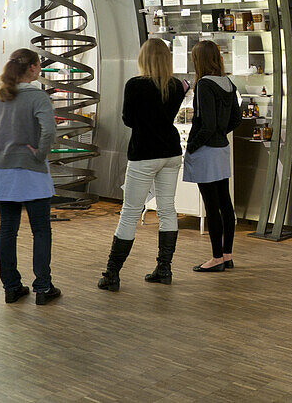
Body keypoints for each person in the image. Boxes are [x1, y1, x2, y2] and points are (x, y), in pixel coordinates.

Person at [97, 39, 189, 291]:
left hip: (144, 152)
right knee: (167, 210)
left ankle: (112, 273)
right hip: (171, 152)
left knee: (130, 212)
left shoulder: (135, 85)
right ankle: (164, 268)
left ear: (144, 58)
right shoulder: (177, 86)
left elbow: (128, 119)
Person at [0, 48, 59, 305]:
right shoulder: (38, 97)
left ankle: (11, 287)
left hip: (1, 170)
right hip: (30, 171)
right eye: (39, 65)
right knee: (40, 230)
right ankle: (43, 287)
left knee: (7, 229)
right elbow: (49, 131)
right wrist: (38, 155)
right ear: (33, 68)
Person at [183, 40, 241, 272]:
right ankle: (227, 255)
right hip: (221, 148)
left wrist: (193, 146)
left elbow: (205, 124)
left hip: (206, 151)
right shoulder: (228, 83)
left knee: (211, 205)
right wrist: (220, 133)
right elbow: (235, 119)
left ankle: (216, 257)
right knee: (225, 203)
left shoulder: (204, 85)